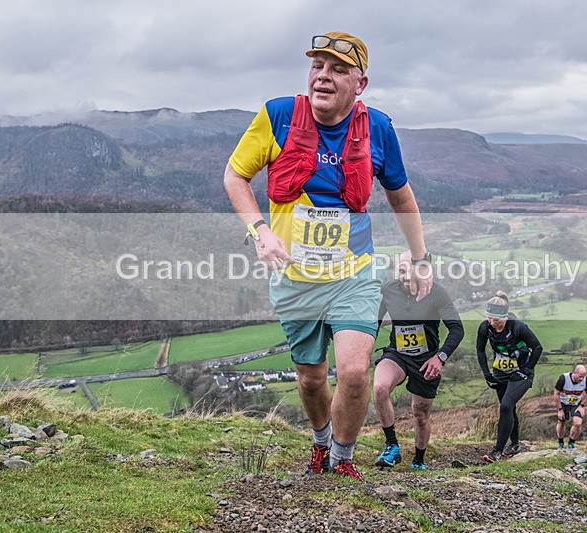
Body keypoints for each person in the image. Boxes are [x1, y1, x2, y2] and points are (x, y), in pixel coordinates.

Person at [224, 32, 433, 483]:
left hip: (353, 273)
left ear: (361, 83)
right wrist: (259, 232)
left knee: (356, 373)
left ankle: (341, 458)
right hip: (294, 274)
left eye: (338, 69)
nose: (323, 76)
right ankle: (320, 445)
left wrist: (420, 258)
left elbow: (401, 195)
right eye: (317, 66)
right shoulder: (277, 115)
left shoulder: (378, 127)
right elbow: (235, 175)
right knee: (311, 378)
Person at [373, 251, 464, 470]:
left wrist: (439, 357)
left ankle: (418, 461)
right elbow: (374, 322)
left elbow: (457, 329)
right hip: (397, 354)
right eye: (401, 271)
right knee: (379, 388)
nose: (405, 277)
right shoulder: (388, 291)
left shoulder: (437, 293)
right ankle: (392, 446)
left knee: (420, 415)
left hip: (426, 360)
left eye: (410, 272)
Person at [476, 291, 543, 463]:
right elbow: (480, 350)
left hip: (521, 372)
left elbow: (537, 348)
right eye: (489, 318)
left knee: (506, 405)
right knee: (509, 408)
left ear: (505, 316)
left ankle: (496, 451)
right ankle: (515, 445)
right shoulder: (485, 327)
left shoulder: (518, 327)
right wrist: (487, 374)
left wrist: (527, 370)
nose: (492, 323)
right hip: (501, 372)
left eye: (496, 320)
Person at [554, 364, 587, 449]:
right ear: (574, 373)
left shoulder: (586, 380)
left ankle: (571, 443)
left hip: (576, 404)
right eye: (580, 376)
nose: (581, 379)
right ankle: (561, 442)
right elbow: (556, 394)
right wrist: (560, 409)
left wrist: (581, 405)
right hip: (563, 402)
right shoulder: (563, 378)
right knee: (562, 423)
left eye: (583, 377)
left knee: (578, 423)